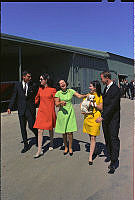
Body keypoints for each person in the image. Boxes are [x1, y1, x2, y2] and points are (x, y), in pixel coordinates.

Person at [7, 70, 38, 153]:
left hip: (29, 109)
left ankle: (38, 136)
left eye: (30, 77)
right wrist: (9, 107)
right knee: (22, 128)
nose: (30, 78)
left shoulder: (33, 85)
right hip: (21, 109)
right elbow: (14, 96)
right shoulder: (17, 85)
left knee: (32, 126)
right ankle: (26, 145)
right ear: (23, 77)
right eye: (28, 76)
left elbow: (37, 96)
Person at [96, 71, 121, 174]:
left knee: (113, 138)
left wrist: (102, 116)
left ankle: (114, 162)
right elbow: (105, 101)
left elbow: (113, 106)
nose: (101, 80)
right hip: (106, 119)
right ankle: (110, 155)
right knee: (107, 138)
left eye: (102, 78)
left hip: (113, 119)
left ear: (107, 78)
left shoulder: (115, 89)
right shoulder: (106, 88)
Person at [54, 79, 87, 156]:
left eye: (63, 82)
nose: (62, 84)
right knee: (64, 132)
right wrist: (60, 103)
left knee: (70, 132)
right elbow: (56, 104)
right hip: (62, 113)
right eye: (60, 83)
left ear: (66, 83)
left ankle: (70, 147)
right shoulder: (58, 93)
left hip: (70, 112)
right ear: (59, 86)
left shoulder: (71, 91)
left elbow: (79, 96)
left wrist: (86, 95)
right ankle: (65, 147)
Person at [33, 73, 56, 158]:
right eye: (39, 79)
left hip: (49, 112)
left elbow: (56, 101)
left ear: (46, 80)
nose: (40, 81)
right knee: (40, 130)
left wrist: (62, 104)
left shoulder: (53, 90)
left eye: (41, 79)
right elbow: (36, 99)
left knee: (50, 128)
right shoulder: (40, 89)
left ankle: (51, 142)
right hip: (41, 112)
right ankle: (40, 150)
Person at [82, 81, 103, 165]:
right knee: (90, 136)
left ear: (95, 87)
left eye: (91, 86)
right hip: (87, 118)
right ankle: (93, 149)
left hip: (95, 118)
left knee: (93, 137)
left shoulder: (99, 96)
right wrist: (84, 107)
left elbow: (101, 107)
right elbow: (83, 105)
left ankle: (90, 157)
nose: (89, 87)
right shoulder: (87, 95)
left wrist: (93, 104)